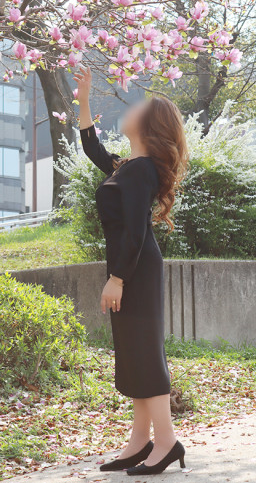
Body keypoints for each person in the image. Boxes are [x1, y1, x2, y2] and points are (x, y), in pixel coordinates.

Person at [74, 66, 189, 476]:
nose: (131, 107)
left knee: (144, 354)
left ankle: (167, 441)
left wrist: (118, 278)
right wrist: (84, 99)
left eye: (140, 107)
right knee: (134, 355)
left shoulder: (140, 170)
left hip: (135, 270)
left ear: (149, 124)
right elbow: (92, 149)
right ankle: (140, 441)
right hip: (131, 268)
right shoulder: (128, 166)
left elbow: (137, 232)